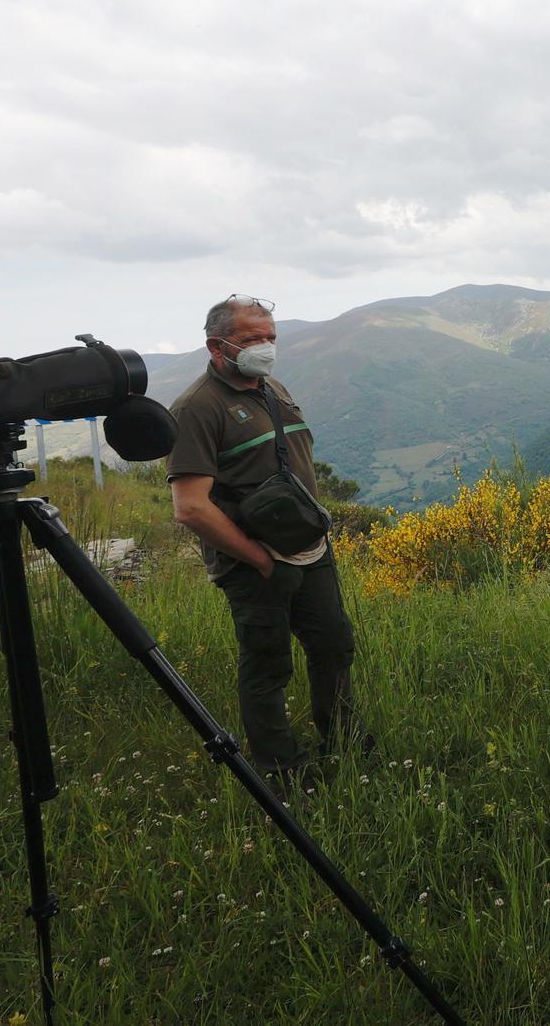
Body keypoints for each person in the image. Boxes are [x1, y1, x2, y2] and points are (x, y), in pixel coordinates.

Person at [167, 295, 368, 789]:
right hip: (253, 562)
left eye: (270, 337)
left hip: (310, 550)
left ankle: (344, 746)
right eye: (254, 339)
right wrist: (259, 559)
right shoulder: (196, 408)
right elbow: (190, 506)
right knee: (267, 664)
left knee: (334, 647)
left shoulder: (272, 388)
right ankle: (282, 773)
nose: (266, 347)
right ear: (218, 346)